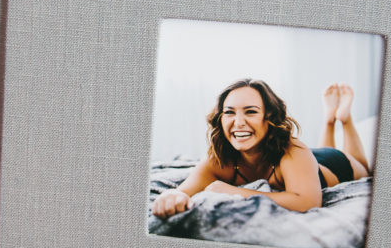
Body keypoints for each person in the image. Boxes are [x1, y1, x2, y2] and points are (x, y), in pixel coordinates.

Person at [152, 79, 371, 219]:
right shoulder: (217, 158)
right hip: (304, 165)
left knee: (363, 166)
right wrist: (171, 196)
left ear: (269, 118)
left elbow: (308, 201)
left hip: (332, 163)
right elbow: (181, 191)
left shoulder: (293, 150)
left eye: (250, 112)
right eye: (229, 112)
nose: (238, 122)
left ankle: (343, 119)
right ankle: (329, 120)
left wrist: (234, 192)